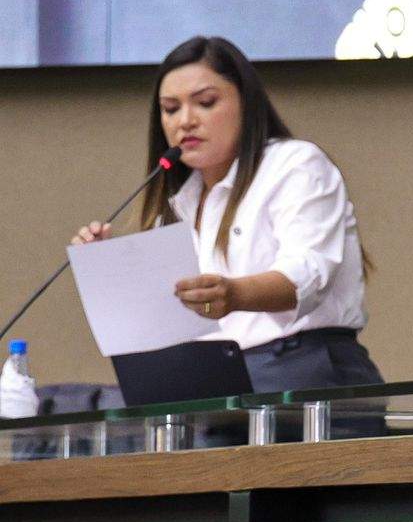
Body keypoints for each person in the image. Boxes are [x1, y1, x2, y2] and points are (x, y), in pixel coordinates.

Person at [73, 36, 382, 392]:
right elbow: (164, 324)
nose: (185, 121)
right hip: (213, 377)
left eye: (205, 103)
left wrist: (234, 294)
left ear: (246, 104)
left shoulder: (295, 164)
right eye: (170, 109)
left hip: (303, 369)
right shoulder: (177, 205)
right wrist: (107, 271)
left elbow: (306, 276)